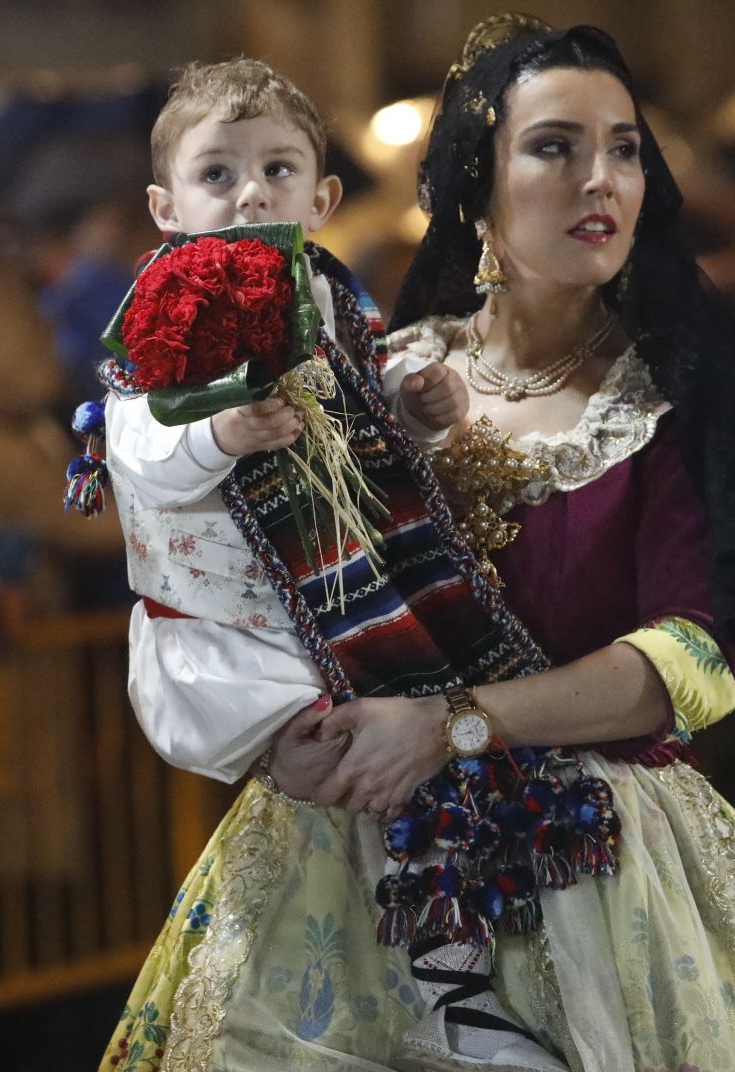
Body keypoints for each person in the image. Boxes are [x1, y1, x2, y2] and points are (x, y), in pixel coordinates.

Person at [102, 19, 735, 1072]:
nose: (598, 179)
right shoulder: (377, 370)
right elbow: (217, 561)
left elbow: (695, 664)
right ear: (477, 183)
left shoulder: (678, 402)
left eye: (624, 148)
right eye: (555, 146)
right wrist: (273, 737)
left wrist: (451, 725)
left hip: (588, 863)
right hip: (341, 846)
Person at [106, 57, 468, 790]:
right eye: (216, 175)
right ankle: (282, 760)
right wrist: (218, 435)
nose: (250, 194)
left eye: (278, 169)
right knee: (305, 747)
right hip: (233, 630)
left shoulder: (335, 298)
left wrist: (414, 407)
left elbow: (373, 398)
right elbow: (136, 445)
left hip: (351, 593)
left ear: (321, 199)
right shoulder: (159, 316)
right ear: (165, 207)